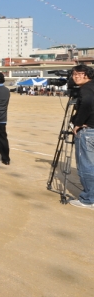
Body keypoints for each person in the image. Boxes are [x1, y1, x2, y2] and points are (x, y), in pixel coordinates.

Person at [69, 65, 94, 209]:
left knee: (86, 166)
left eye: (79, 74)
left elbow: (87, 103)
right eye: (74, 74)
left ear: (86, 75)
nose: (75, 77)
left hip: (88, 132)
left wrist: (77, 123)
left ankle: (88, 199)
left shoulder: (86, 89)